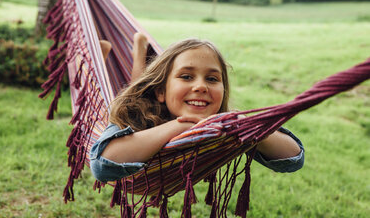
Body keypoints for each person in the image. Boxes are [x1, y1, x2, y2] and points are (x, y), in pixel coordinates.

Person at [90, 33, 304, 183]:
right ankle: (104, 57)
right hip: (127, 112)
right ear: (162, 91)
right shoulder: (134, 115)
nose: (201, 86)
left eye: (212, 78)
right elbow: (103, 164)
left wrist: (246, 127)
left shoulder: (221, 125)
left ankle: (139, 49)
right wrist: (178, 126)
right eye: (186, 76)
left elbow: (293, 159)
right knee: (101, 100)